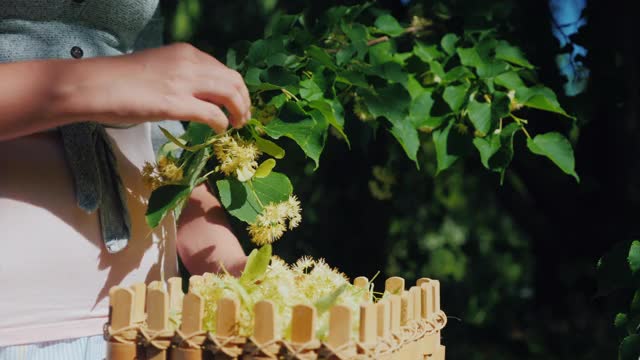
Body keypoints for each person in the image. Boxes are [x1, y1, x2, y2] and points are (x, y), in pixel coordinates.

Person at [0, 1, 249, 358]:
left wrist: (228, 266)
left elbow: (162, 134)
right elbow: (131, 79)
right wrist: (89, 83)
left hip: (149, 328)